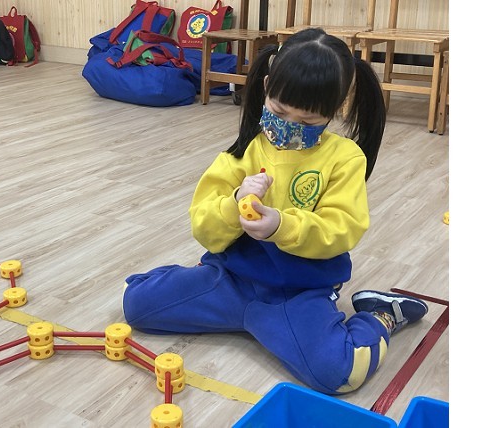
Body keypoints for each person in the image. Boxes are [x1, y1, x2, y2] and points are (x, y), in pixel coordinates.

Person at [121, 28, 428, 395]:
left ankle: (381, 315)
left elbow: (342, 228)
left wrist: (282, 225)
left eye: (308, 121)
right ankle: (196, 283)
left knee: (340, 373)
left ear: (335, 109)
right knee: (136, 306)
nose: (289, 127)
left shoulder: (344, 158)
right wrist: (234, 203)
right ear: (267, 86)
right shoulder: (242, 152)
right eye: (279, 111)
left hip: (298, 293)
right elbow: (202, 224)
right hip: (230, 280)